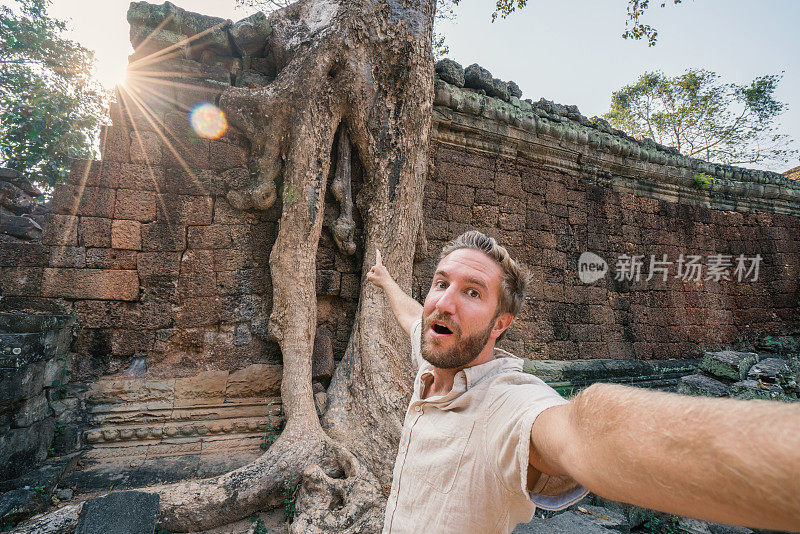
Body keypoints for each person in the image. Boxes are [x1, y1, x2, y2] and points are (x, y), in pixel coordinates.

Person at [366, 230, 800, 534]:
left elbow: (583, 433)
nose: (443, 303)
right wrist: (385, 281)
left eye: (472, 292)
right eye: (441, 283)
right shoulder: (433, 357)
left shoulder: (506, 405)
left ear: (501, 324)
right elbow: (411, 317)